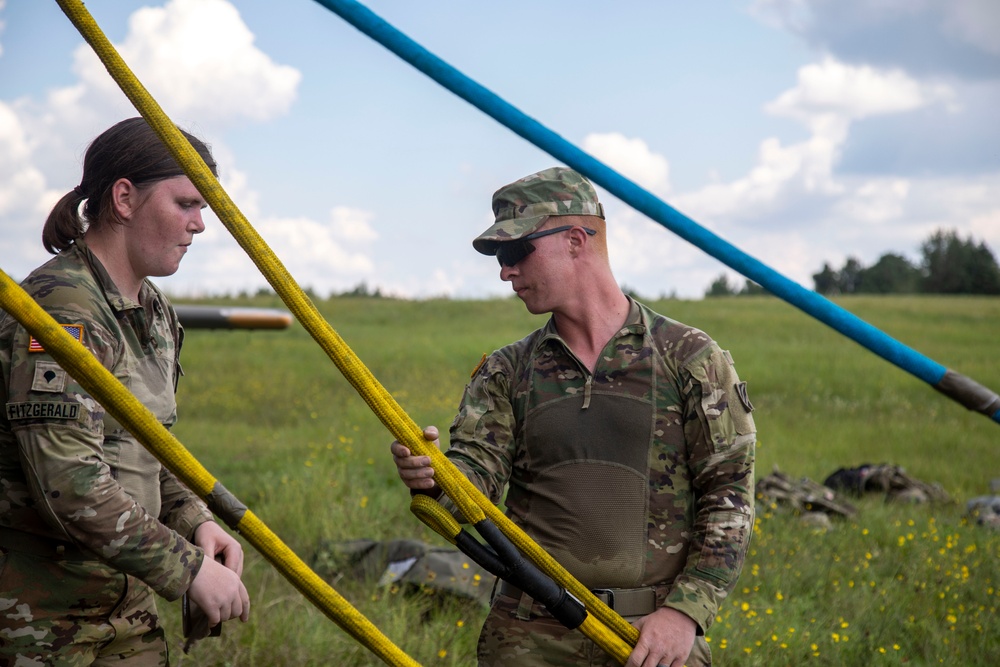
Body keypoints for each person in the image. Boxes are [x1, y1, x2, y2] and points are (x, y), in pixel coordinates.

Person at [392, 167, 755, 667]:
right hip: (528, 638)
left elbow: (729, 496)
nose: (505, 272)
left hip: (650, 639)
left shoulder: (689, 357)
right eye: (500, 257)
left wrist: (685, 614)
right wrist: (433, 479)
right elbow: (472, 484)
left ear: (576, 241)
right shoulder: (506, 370)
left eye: (517, 252)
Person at [0, 117, 250, 664]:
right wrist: (187, 569)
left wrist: (195, 522)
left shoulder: (154, 311)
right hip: (37, 618)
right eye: (186, 203)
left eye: (203, 208)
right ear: (124, 198)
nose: (200, 225)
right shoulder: (63, 308)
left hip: (125, 607)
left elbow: (149, 446)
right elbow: (70, 486)